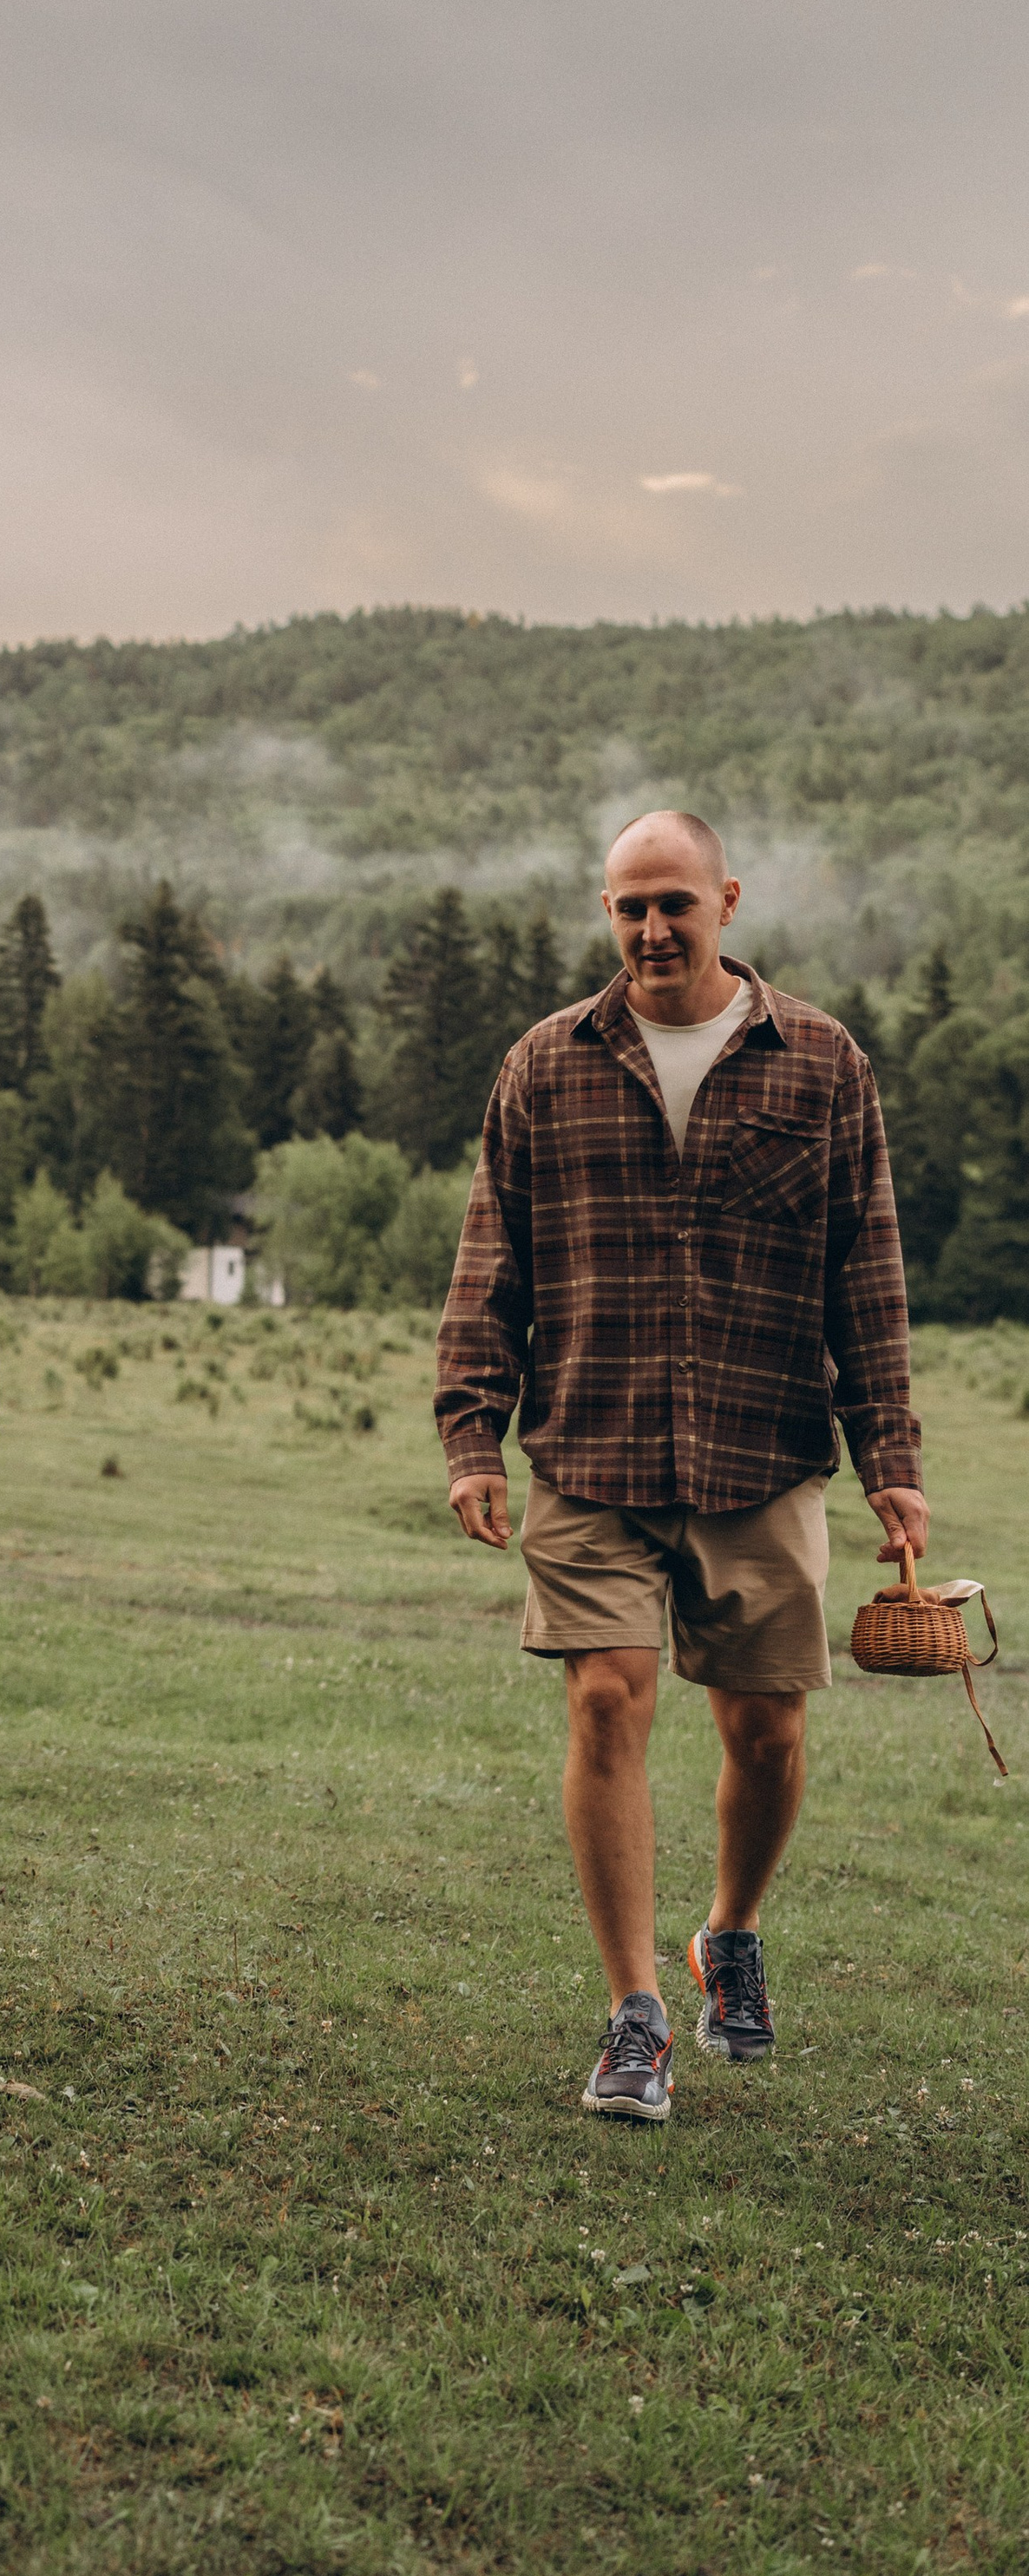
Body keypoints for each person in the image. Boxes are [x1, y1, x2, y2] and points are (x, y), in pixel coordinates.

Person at [434, 812, 925, 2123]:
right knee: (607, 1699)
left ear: (728, 902)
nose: (654, 930)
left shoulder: (823, 1065)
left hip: (763, 1449)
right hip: (590, 1448)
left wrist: (893, 1457)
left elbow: (864, 1274)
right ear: (608, 911)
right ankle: (634, 2012)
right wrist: (470, 1431)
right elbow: (493, 1262)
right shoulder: (545, 1064)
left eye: (676, 904)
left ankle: (733, 1932)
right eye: (630, 907)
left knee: (763, 1731)